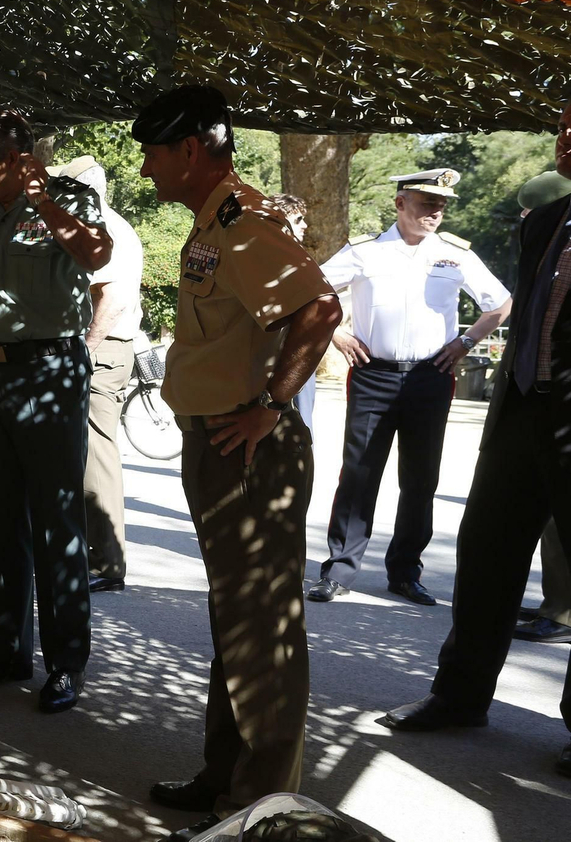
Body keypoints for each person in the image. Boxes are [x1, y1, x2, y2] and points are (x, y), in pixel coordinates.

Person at [132, 85, 342, 840]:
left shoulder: (243, 222)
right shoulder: (217, 219)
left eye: (155, 152)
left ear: (192, 149)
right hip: (218, 444)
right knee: (237, 620)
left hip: (246, 446)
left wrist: (273, 406)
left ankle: (261, 809)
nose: (148, 166)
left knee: (264, 632)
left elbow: (318, 310)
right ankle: (227, 780)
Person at [380, 118, 571, 782]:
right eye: (564, 127)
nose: (567, 140)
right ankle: (459, 696)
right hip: (525, 411)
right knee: (485, 553)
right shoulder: (546, 218)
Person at [0, 107, 113, 714]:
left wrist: (44, 201)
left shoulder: (68, 201)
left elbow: (96, 256)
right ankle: (5, 649)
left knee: (54, 523)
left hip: (48, 373)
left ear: (17, 159)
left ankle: (65, 662)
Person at [304, 169, 512, 607]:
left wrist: (466, 341)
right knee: (359, 473)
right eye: (426, 203)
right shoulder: (365, 251)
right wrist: (335, 335)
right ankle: (340, 569)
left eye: (441, 205)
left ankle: (404, 572)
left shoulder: (456, 255)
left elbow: (500, 303)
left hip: (429, 377)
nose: (435, 212)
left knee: (420, 479)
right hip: (374, 373)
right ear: (400, 204)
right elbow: (308, 289)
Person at [51, 156, 145, 595]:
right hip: (93, 345)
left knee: (95, 455)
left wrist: (84, 350)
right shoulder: (99, 223)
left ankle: (108, 563)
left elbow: (113, 298)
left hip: (101, 347)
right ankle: (92, 551)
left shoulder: (106, 226)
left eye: (64, 185)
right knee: (77, 451)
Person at [272, 195, 317, 430]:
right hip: (268, 360)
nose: (305, 226)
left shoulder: (300, 260)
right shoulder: (265, 258)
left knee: (300, 429)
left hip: (298, 357)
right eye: (298, 219)